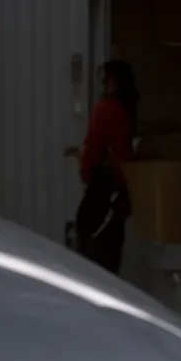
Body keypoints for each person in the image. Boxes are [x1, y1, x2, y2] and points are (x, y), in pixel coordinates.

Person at [75, 60, 139, 275]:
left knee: (90, 254)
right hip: (120, 194)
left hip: (103, 191)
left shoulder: (106, 110)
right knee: (110, 259)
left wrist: (85, 167)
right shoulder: (129, 110)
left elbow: (94, 148)